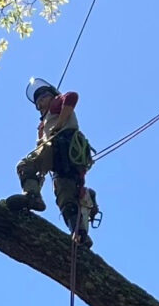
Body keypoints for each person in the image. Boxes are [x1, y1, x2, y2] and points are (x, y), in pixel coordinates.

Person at [6, 77, 101, 243]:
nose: (40, 101)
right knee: (65, 196)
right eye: (38, 100)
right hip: (64, 161)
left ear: (52, 96)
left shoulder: (56, 105)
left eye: (44, 96)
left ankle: (32, 197)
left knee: (26, 165)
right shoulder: (43, 125)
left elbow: (71, 96)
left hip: (61, 145)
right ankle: (80, 235)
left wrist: (59, 124)